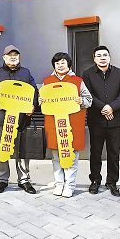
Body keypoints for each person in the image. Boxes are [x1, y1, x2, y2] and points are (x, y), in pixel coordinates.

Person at [0, 45, 38, 194]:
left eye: (16, 55)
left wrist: (33, 106)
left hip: (22, 120)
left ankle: (24, 179)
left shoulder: (26, 73)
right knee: (1, 149)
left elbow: (34, 90)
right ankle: (2, 179)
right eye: (10, 55)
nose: (13, 57)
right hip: (1, 119)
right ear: (4, 57)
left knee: (22, 150)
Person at [41, 52, 93, 198]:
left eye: (63, 62)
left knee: (71, 156)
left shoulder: (77, 81)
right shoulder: (47, 81)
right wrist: (41, 101)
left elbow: (89, 100)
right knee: (56, 156)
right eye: (57, 63)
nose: (60, 65)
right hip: (54, 124)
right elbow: (43, 100)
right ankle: (59, 184)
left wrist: (81, 101)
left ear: (68, 64)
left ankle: (70, 185)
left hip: (73, 124)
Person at [82, 46, 120, 196]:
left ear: (109, 57)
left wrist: (112, 107)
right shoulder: (87, 74)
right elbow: (87, 94)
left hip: (115, 120)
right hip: (96, 120)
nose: (102, 58)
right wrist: (103, 107)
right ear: (94, 58)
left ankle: (112, 182)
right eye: (99, 55)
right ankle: (95, 180)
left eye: (105, 55)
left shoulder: (119, 73)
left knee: (114, 152)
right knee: (95, 152)